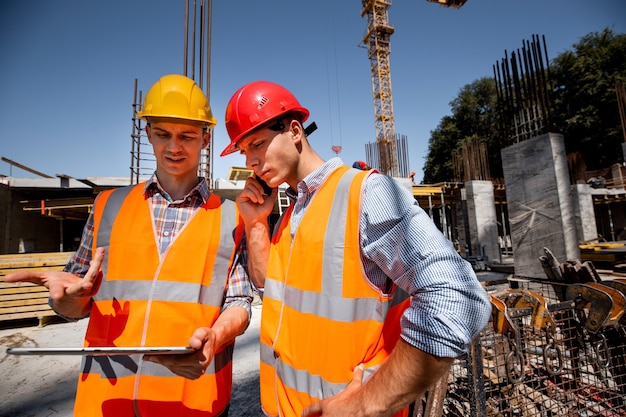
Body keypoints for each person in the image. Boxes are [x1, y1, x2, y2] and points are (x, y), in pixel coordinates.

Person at [220, 80, 491, 417]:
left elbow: (458, 298)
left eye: (257, 144)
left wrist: (366, 404)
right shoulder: (290, 213)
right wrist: (256, 224)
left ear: (294, 131)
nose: (252, 162)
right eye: (244, 151)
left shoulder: (364, 194)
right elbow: (269, 288)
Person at [5, 74, 253, 417]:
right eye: (163, 134)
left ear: (206, 139)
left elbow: (239, 301)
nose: (173, 147)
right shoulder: (108, 206)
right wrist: (67, 302)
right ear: (147, 133)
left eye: (187, 136)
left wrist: (217, 335)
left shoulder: (231, 216)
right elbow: (75, 298)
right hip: (108, 399)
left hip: (190, 400)